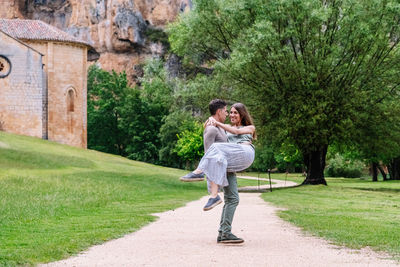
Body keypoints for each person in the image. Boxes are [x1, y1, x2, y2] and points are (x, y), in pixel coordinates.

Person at [183, 102, 256, 243]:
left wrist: (216, 122)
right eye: (231, 112)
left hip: (245, 153)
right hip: (230, 162)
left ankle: (199, 171)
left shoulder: (249, 127)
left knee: (216, 148)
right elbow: (215, 132)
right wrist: (210, 122)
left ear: (242, 114)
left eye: (236, 112)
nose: (232, 115)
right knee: (233, 199)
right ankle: (224, 233)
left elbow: (236, 132)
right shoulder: (226, 130)